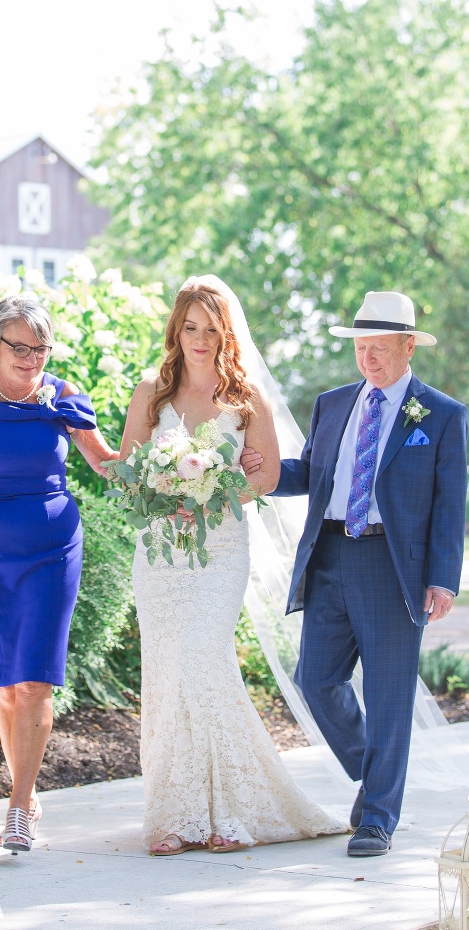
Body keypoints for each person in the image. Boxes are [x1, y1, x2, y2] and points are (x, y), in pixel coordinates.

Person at [120, 278, 348, 856]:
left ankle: (230, 811)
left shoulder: (246, 401)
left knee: (203, 659)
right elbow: (128, 470)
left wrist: (213, 494)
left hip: (219, 550)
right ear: (177, 329)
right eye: (191, 327)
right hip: (162, 555)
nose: (200, 338)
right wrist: (163, 486)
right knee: (169, 674)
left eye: (212, 329)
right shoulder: (151, 392)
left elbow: (267, 475)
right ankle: (174, 814)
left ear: (227, 335)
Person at [267, 291, 467, 858]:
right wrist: (258, 473)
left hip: (392, 566)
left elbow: (451, 504)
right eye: (361, 348)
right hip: (329, 555)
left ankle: (378, 816)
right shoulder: (333, 404)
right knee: (316, 680)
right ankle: (372, 771)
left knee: (388, 696)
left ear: (408, 347)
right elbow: (310, 472)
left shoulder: (441, 414)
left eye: (380, 348)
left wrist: (443, 578)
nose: (369, 359)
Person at [0, 296, 117, 854]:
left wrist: (167, 474)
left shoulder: (63, 398)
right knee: (6, 685)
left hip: (52, 547)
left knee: (34, 679)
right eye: (19, 347)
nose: (31, 358)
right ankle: (25, 794)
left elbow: (104, 461)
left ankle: (19, 807)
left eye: (40, 348)